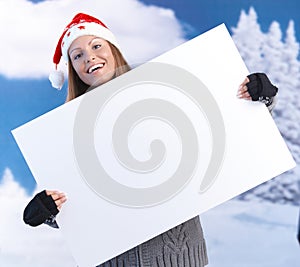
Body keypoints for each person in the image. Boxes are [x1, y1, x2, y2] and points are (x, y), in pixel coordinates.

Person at [23, 12, 278, 267]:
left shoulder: (160, 94)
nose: (89, 56)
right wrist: (46, 211)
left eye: (96, 45)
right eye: (77, 55)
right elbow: (77, 205)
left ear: (113, 50)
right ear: (74, 69)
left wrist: (259, 97)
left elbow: (216, 126)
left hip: (179, 259)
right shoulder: (65, 132)